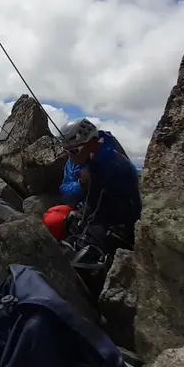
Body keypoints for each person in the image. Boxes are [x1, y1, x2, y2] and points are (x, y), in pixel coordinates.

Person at [53, 118, 143, 294]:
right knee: (54, 219)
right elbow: (66, 193)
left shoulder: (111, 163)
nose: (70, 156)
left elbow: (109, 209)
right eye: (67, 151)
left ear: (92, 143)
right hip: (90, 216)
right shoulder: (79, 162)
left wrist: (94, 175)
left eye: (74, 150)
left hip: (115, 225)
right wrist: (81, 185)